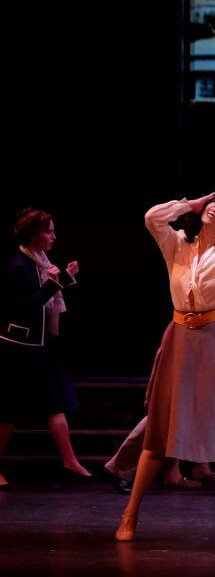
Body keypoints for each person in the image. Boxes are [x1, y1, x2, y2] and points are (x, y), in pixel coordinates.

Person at [115, 191, 215, 541]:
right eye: (214, 202)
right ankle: (130, 514)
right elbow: (152, 217)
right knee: (162, 429)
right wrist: (190, 204)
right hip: (182, 338)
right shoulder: (178, 243)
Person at [0, 208, 85, 488]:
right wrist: (54, 283)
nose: (53, 236)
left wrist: (65, 278)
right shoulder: (18, 266)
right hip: (19, 349)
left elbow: (45, 297)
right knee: (9, 411)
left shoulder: (38, 261)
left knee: (55, 402)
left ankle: (69, 460)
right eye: (48, 231)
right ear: (34, 235)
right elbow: (24, 306)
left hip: (40, 347)